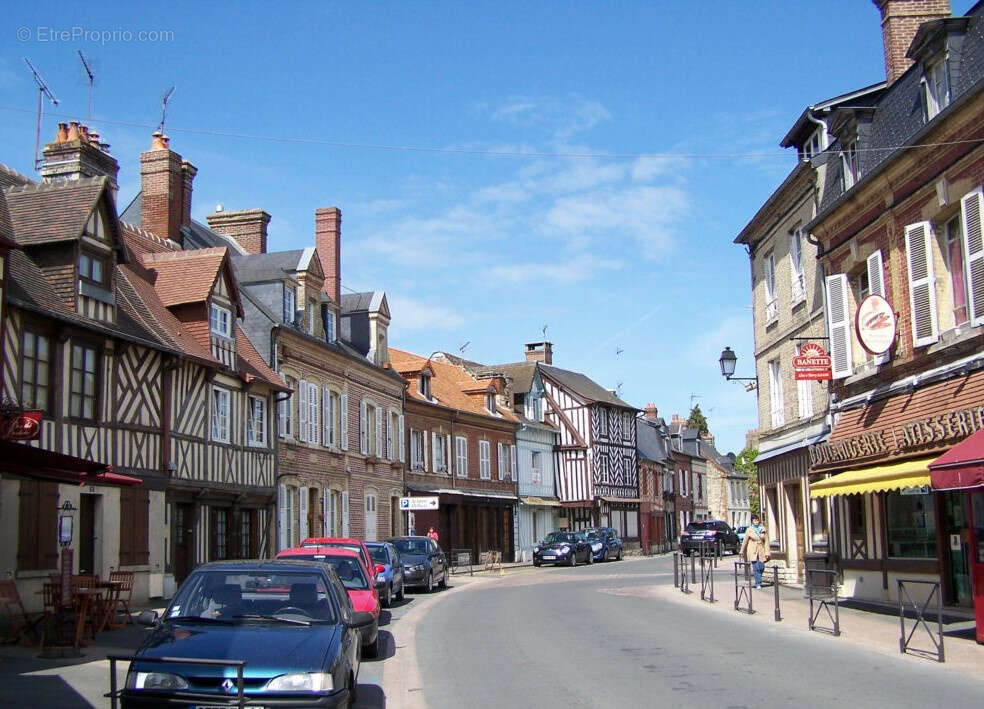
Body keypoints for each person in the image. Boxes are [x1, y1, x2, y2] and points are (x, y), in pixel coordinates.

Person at [739, 514, 770, 589]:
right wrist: (742, 551)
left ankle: (758, 578)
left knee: (761, 567)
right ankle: (758, 583)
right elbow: (745, 541)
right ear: (752, 521)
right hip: (752, 550)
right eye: (754, 521)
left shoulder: (763, 529)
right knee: (756, 567)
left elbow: (766, 542)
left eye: (757, 520)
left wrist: (767, 553)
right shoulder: (749, 530)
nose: (756, 522)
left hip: (761, 550)